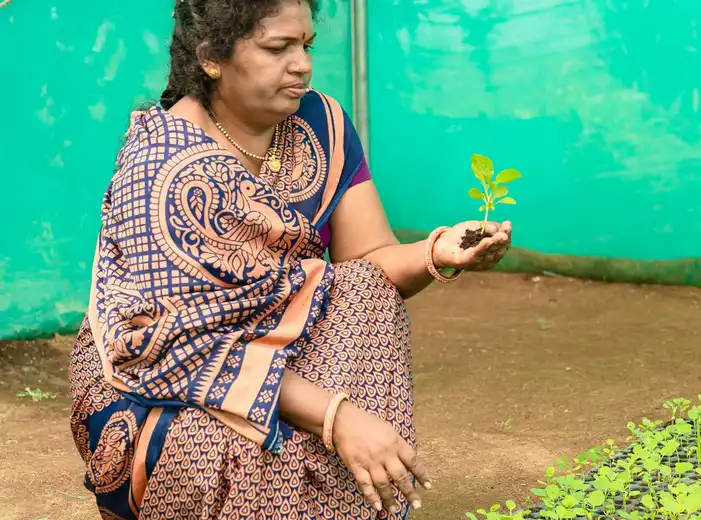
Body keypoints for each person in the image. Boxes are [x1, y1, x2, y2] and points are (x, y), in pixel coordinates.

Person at [67, 1, 513, 518]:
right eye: (278, 47)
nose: (302, 64)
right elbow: (183, 348)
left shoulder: (320, 123)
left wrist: (439, 252)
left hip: (280, 351)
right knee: (237, 445)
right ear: (212, 56)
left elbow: (367, 264)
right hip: (163, 385)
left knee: (369, 299)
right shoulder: (162, 167)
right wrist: (337, 417)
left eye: (307, 45)